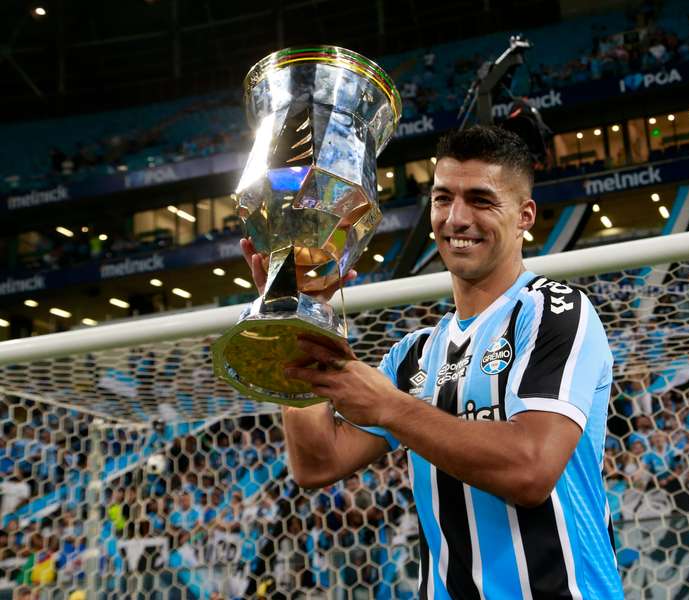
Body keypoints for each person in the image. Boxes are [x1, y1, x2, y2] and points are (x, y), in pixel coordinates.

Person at [241, 125, 623, 599]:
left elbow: (531, 470)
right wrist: (299, 318)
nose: (456, 218)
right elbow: (317, 463)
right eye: (443, 199)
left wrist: (391, 409)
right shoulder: (412, 354)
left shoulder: (555, 310)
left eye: (481, 200)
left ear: (525, 216)